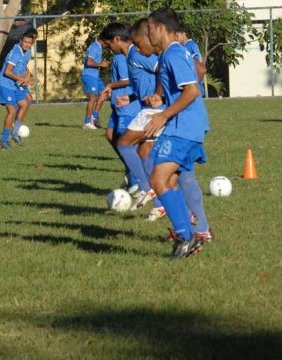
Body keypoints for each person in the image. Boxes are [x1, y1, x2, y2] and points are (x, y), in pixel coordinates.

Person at [146, 7, 210, 259]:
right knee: (171, 181)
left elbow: (193, 90)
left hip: (183, 127)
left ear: (161, 28)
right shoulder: (173, 54)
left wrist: (164, 114)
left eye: (150, 28)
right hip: (184, 125)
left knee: (157, 180)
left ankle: (187, 236)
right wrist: (160, 101)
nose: (148, 32)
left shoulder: (172, 54)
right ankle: (190, 235)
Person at [97, 24, 142, 193]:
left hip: (127, 106)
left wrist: (110, 85)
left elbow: (127, 80)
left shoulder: (124, 56)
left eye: (108, 44)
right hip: (118, 104)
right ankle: (130, 169)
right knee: (110, 135)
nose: (108, 47)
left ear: (117, 39)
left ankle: (137, 177)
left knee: (126, 142)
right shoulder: (121, 56)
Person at [0, 31, 35, 149]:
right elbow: (7, 72)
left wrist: (27, 77)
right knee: (12, 111)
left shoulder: (27, 52)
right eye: (25, 42)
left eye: (29, 42)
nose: (27, 44)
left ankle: (15, 132)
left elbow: (24, 67)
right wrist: (21, 78)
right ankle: (4, 139)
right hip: (5, 84)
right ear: (21, 41)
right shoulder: (16, 53)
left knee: (24, 104)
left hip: (15, 84)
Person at [81, 38, 109, 129]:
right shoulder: (94, 47)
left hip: (95, 76)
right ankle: (87, 122)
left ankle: (94, 117)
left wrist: (102, 65)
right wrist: (101, 64)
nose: (108, 45)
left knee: (104, 93)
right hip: (89, 76)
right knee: (92, 98)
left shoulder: (99, 47)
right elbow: (89, 62)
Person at [176, 27, 206, 97]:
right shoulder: (182, 46)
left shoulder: (192, 45)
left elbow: (198, 60)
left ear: (184, 34)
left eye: (177, 36)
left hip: (195, 81)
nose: (176, 38)